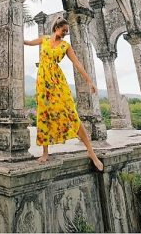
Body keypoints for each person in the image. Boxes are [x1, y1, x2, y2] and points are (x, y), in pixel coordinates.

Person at [24, 16, 104, 171]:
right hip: (43, 82)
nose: (66, 33)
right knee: (44, 114)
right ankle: (45, 153)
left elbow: (77, 63)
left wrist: (89, 81)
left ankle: (91, 152)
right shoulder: (44, 39)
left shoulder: (65, 45)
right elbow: (27, 43)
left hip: (57, 81)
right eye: (64, 30)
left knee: (71, 113)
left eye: (67, 31)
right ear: (56, 28)